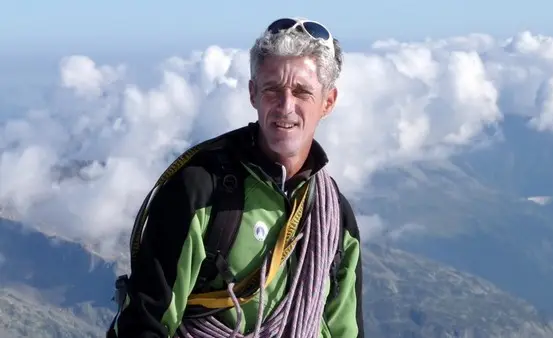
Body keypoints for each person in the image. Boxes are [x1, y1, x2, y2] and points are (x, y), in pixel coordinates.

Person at [106, 17, 364, 338]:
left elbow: (344, 329)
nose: (286, 106)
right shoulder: (199, 190)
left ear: (328, 101)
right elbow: (144, 325)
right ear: (252, 93)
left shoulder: (334, 217)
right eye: (273, 89)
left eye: (302, 92)